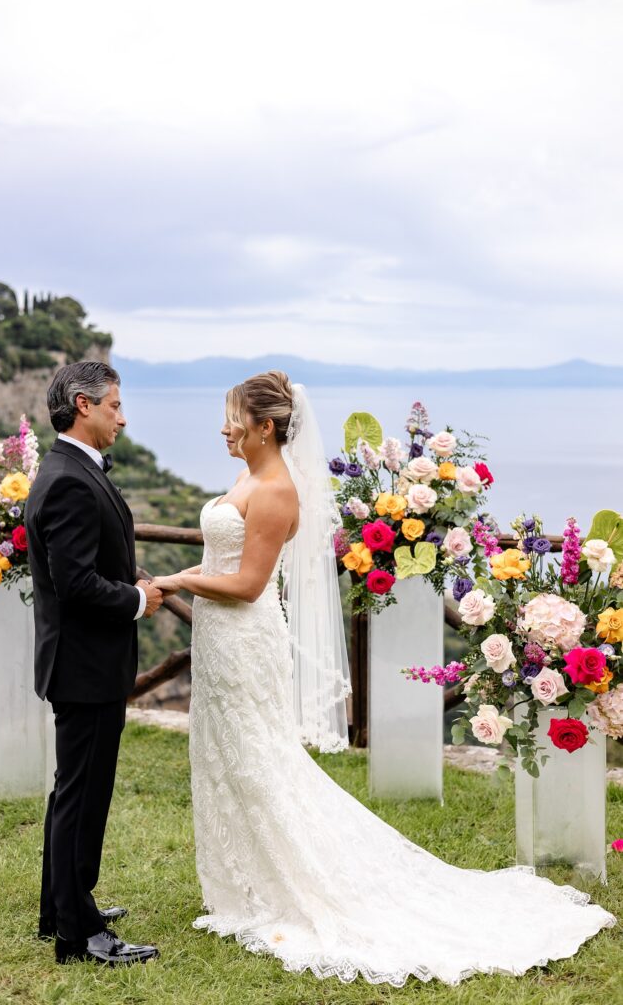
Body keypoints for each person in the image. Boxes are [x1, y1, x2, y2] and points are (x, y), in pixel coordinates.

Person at [152, 369, 615, 988]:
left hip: (245, 639)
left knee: (258, 761)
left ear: (264, 428)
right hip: (217, 638)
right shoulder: (246, 475)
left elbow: (249, 584)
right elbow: (224, 559)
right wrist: (183, 580)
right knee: (225, 757)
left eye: (232, 418)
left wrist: (177, 581)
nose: (223, 428)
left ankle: (294, 882)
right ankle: (245, 883)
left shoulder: (277, 490)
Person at [25, 360, 162, 966]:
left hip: (84, 663)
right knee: (81, 796)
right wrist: (136, 600)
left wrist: (131, 577)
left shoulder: (69, 469)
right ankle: (78, 936)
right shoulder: (69, 480)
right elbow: (75, 583)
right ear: (84, 405)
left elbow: (92, 557)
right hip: (84, 666)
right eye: (115, 406)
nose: (122, 419)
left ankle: (60, 908)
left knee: (73, 792)